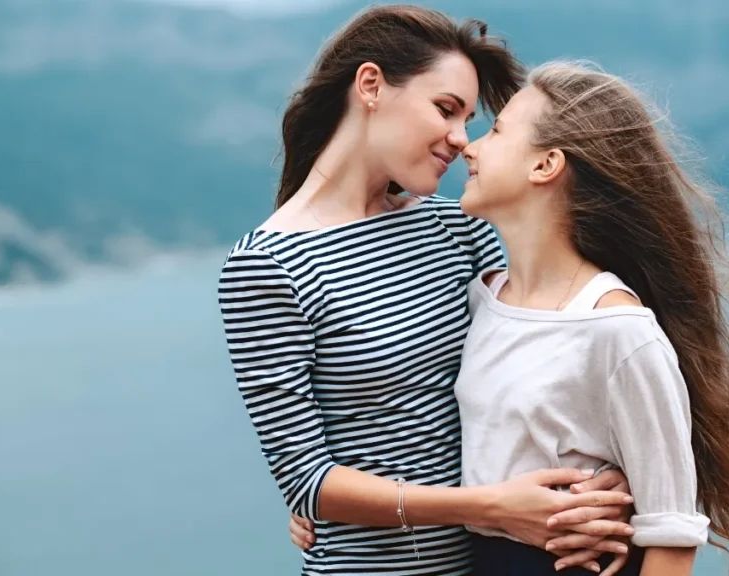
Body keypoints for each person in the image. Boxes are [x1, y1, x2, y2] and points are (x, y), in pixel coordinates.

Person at [218, 6, 638, 576]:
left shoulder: (457, 227)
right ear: (370, 86)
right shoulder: (266, 267)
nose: (460, 139)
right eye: (445, 109)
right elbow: (308, 481)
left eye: (469, 118)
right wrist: (494, 506)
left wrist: (610, 475)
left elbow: (554, 356)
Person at [453, 60, 729, 575]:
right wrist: (329, 514)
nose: (469, 146)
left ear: (546, 165)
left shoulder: (619, 329)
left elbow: (672, 532)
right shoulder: (484, 297)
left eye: (497, 131)